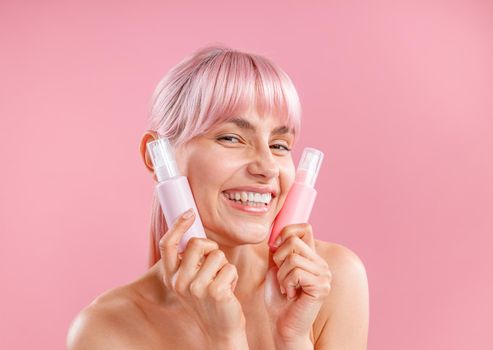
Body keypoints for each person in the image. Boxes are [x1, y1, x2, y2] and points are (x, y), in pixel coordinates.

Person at [66, 45, 369, 350]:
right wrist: (225, 338)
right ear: (157, 158)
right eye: (230, 138)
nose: (266, 167)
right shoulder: (108, 331)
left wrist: (293, 339)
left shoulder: (329, 283)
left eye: (279, 144)